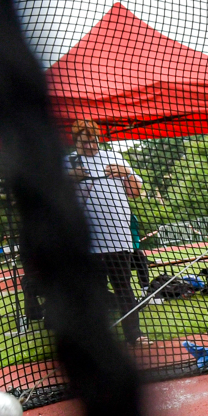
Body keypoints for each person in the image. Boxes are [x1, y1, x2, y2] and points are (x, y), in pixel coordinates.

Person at [67, 119, 143, 344]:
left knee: (124, 288)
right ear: (76, 141)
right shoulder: (68, 161)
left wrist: (126, 173)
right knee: (94, 292)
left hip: (118, 238)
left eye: (94, 141)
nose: (91, 146)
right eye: (85, 142)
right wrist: (71, 178)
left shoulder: (114, 157)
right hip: (87, 242)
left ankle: (134, 335)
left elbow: (136, 192)